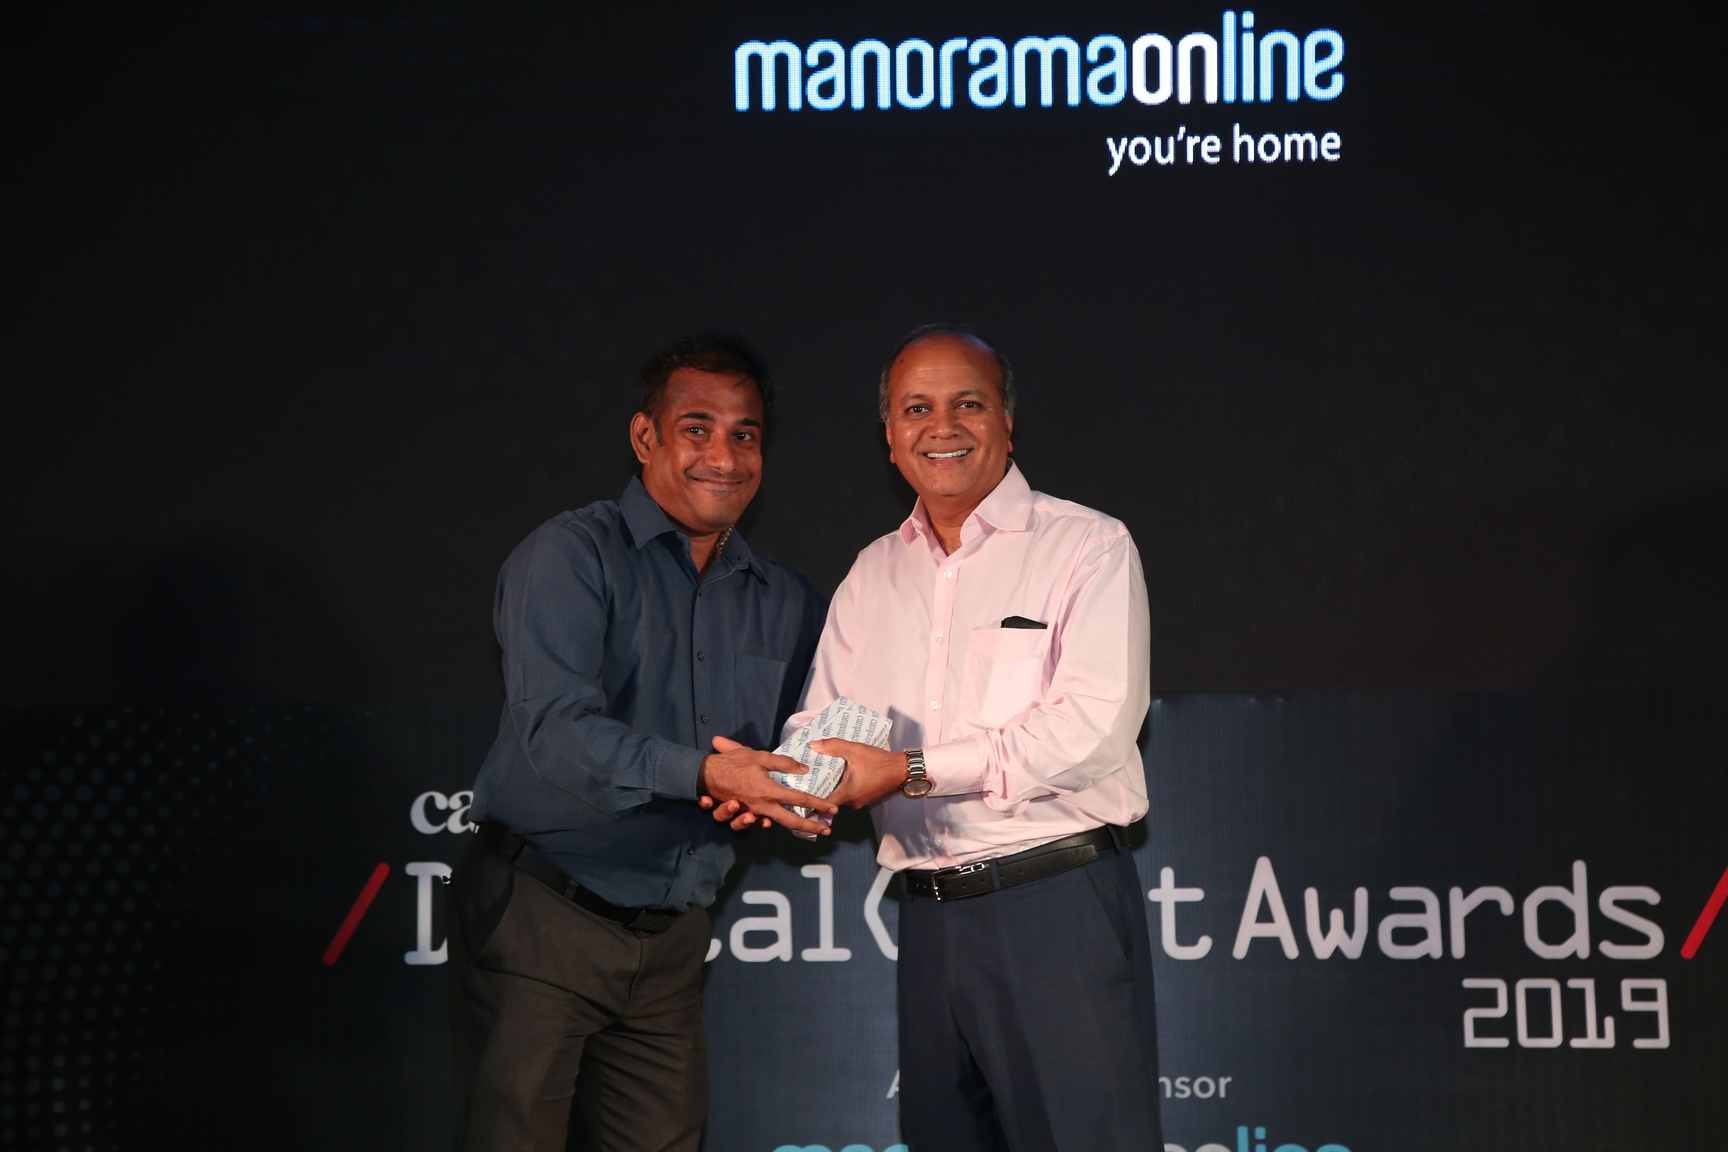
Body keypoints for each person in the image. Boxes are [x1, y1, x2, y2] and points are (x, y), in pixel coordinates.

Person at [716, 324, 1163, 1150]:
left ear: (1007, 423)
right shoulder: (873, 572)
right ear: (889, 437)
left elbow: (1092, 731)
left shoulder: (1086, 545)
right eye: (916, 409)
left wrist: (909, 770)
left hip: (1053, 903)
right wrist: (779, 784)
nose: (942, 426)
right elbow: (827, 724)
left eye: (968, 404)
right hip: (928, 920)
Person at [447, 333, 834, 1152]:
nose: (723, 456)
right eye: (697, 429)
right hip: (544, 917)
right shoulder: (569, 555)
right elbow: (556, 731)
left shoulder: (786, 600)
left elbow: (799, 745)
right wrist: (709, 774)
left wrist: (793, 787)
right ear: (645, 436)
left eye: (745, 434)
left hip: (671, 943)